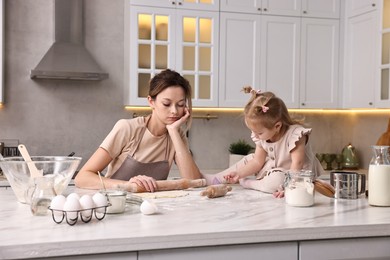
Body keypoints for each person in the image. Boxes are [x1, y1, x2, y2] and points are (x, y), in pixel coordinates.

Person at [74, 69, 202, 192]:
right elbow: (82, 177)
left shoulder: (176, 135)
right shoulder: (127, 128)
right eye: (166, 104)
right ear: (151, 101)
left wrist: (173, 131)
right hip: (118, 204)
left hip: (154, 208)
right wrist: (130, 186)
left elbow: (194, 181)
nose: (174, 111)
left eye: (180, 105)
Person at [203, 86, 324, 198]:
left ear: (277, 126)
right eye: (253, 131)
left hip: (296, 177)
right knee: (249, 158)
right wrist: (239, 174)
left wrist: (289, 187)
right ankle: (216, 179)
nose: (255, 136)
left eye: (259, 133)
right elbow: (257, 161)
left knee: (276, 179)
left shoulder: (296, 135)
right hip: (274, 169)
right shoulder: (263, 136)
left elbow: (297, 164)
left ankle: (250, 183)